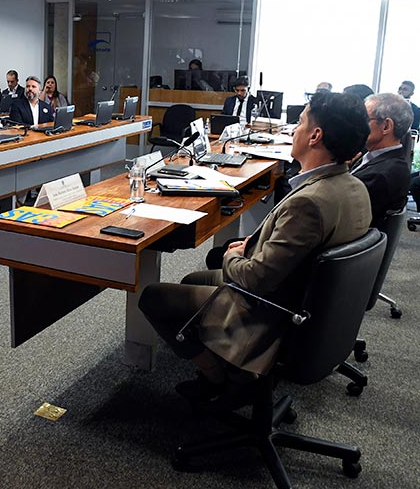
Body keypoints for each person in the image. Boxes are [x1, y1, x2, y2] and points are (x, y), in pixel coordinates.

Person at [138, 91, 372, 407]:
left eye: (300, 123)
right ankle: (226, 365)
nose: (294, 130)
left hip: (267, 309)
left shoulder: (309, 203)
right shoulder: (354, 187)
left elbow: (257, 278)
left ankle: (224, 382)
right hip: (308, 304)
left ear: (316, 136)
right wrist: (255, 243)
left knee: (153, 297)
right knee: (194, 279)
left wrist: (233, 255)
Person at [351, 93, 412, 227]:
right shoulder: (378, 157)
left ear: (386, 126)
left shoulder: (380, 176)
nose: (357, 126)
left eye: (364, 120)